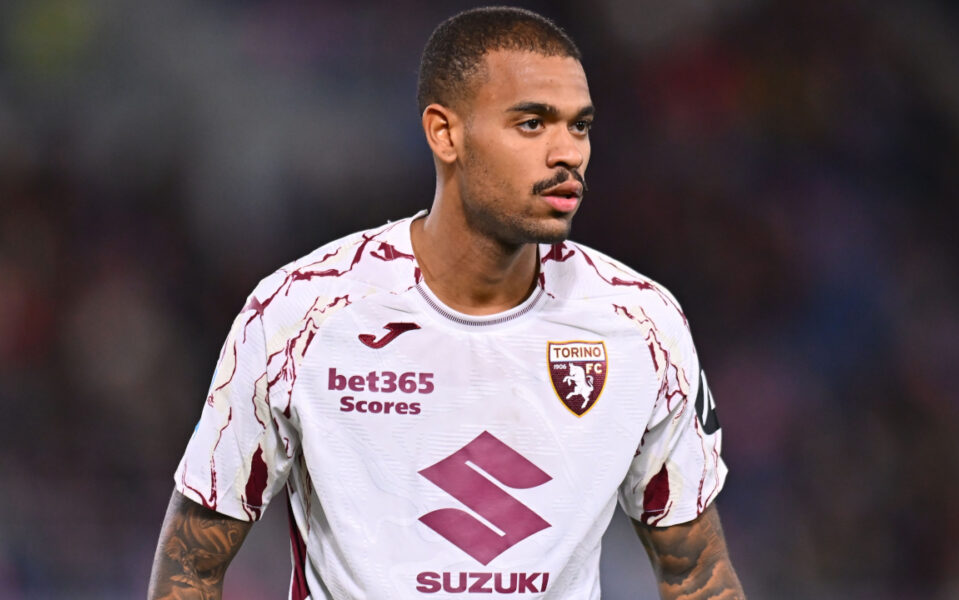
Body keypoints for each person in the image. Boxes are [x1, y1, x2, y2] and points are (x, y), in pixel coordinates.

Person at [148, 6, 745, 599]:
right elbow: (191, 568)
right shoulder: (299, 315)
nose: (569, 153)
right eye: (533, 124)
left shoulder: (642, 325)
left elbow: (695, 574)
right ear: (445, 132)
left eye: (580, 125)